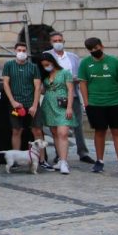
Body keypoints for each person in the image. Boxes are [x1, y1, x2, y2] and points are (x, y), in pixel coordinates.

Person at [78, 37, 118, 176]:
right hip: (95, 104)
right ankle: (99, 161)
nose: (94, 51)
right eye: (91, 49)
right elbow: (83, 83)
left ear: (102, 46)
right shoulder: (85, 63)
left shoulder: (114, 61)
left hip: (115, 102)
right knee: (99, 132)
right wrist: (86, 102)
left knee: (117, 132)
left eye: (96, 48)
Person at [45, 32, 94, 164]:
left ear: (64, 41)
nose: (58, 42)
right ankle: (59, 154)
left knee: (78, 125)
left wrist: (73, 80)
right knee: (56, 126)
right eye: (55, 40)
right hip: (55, 96)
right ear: (51, 42)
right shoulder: (47, 56)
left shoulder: (73, 57)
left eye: (60, 40)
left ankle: (83, 152)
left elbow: (79, 75)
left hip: (73, 95)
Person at [38, 52, 77, 174]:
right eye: (44, 65)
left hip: (62, 104)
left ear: (53, 62)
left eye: (48, 64)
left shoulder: (65, 73)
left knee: (63, 133)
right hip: (49, 105)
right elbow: (43, 90)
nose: (46, 66)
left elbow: (70, 90)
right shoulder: (45, 76)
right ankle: (60, 158)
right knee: (54, 133)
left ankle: (64, 161)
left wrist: (70, 107)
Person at [2, 42, 43, 152]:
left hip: (31, 103)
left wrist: (34, 105)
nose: (21, 52)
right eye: (19, 50)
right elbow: (6, 84)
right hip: (15, 104)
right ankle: (16, 159)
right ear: (15, 51)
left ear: (27, 52)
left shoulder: (33, 67)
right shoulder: (8, 65)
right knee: (16, 130)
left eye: (24, 51)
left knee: (37, 131)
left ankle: (42, 160)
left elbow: (38, 87)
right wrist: (12, 102)